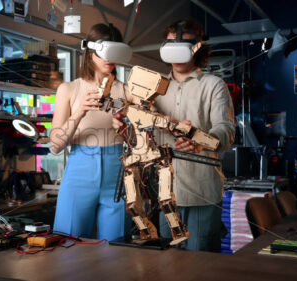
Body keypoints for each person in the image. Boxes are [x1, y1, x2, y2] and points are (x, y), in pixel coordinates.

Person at [113, 19, 235, 251]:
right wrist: (125, 120)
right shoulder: (153, 86)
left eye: (184, 45)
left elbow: (226, 130)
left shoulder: (214, 85)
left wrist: (201, 142)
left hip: (202, 192)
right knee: (167, 264)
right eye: (172, 45)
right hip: (164, 193)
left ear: (197, 48)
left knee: (201, 264)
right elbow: (138, 127)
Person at [51, 23, 129, 241]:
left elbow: (144, 137)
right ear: (90, 51)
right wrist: (78, 114)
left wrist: (127, 126)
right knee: (69, 244)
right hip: (79, 172)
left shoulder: (126, 91)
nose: (109, 58)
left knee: (116, 249)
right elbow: (55, 146)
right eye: (104, 52)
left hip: (117, 172)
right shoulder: (68, 89)